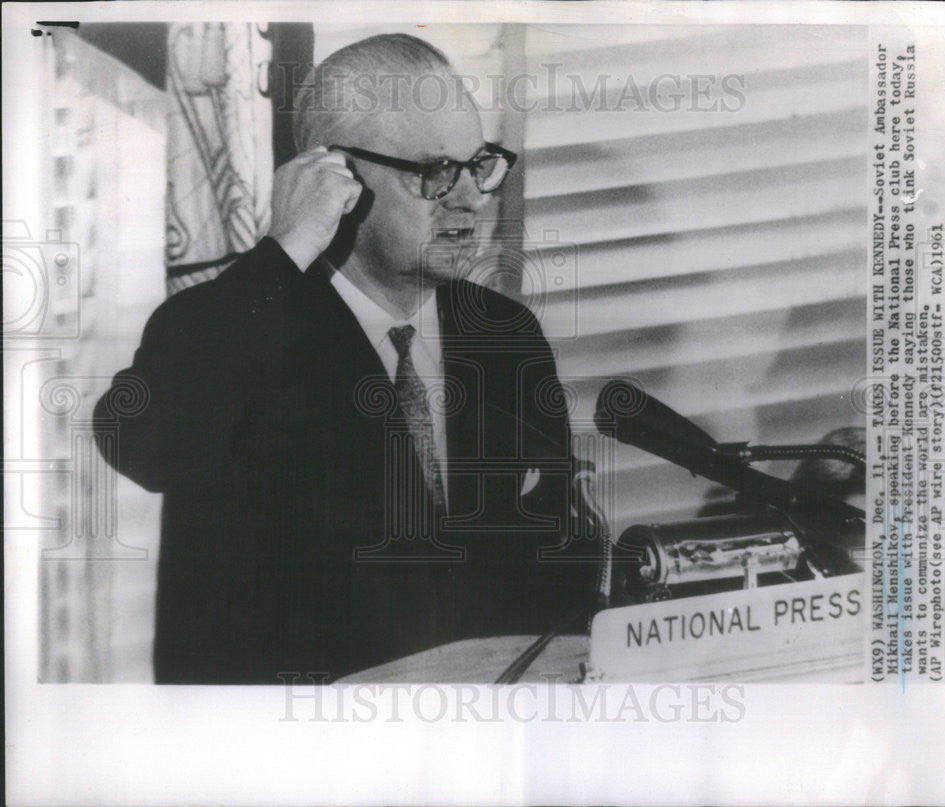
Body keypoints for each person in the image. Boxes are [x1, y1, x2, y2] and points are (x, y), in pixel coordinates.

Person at [94, 34, 593, 684]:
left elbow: (557, 573)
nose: (473, 197)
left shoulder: (504, 333)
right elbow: (141, 444)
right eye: (438, 172)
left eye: (481, 165)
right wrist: (283, 250)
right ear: (339, 180)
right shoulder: (241, 330)